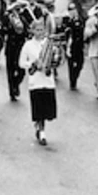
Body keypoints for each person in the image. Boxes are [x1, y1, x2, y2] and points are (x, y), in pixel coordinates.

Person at [19, 8, 62, 146]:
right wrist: (32, 63)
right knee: (38, 110)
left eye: (42, 30)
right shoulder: (28, 45)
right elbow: (21, 63)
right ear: (32, 31)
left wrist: (54, 61)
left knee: (47, 110)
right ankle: (41, 132)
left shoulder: (49, 44)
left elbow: (56, 60)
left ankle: (40, 128)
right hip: (35, 81)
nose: (40, 32)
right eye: (37, 30)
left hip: (48, 81)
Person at [2, 1, 29, 101]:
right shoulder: (8, 19)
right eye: (16, 10)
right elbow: (3, 30)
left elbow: (27, 31)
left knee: (21, 71)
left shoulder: (22, 19)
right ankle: (12, 92)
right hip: (11, 48)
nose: (18, 12)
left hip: (20, 48)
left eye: (19, 10)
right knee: (10, 70)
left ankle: (16, 84)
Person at [61, 0, 84, 91]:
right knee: (71, 64)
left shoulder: (81, 19)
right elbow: (65, 30)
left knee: (80, 64)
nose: (72, 11)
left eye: (74, 9)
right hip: (70, 45)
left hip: (79, 45)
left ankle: (75, 76)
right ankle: (72, 82)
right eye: (70, 9)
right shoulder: (67, 20)